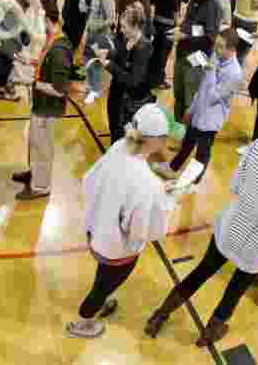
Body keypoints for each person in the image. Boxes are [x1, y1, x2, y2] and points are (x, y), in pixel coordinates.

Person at [145, 94, 258, 346]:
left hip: (230, 229)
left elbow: (237, 186)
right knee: (234, 291)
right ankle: (208, 335)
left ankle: (160, 315)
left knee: (200, 273)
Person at [66, 105, 178, 339]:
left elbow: (90, 180)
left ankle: (98, 304)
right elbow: (143, 231)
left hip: (97, 230)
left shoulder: (119, 147)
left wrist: (156, 190)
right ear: (156, 140)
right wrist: (165, 199)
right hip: (118, 247)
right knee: (104, 285)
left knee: (103, 274)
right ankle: (83, 321)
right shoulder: (146, 183)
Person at [157, 27, 241, 187]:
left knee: (201, 154)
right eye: (216, 45)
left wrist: (209, 72)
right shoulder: (217, 56)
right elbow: (203, 88)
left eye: (220, 47)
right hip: (199, 112)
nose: (215, 49)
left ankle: (193, 183)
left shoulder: (234, 73)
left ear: (231, 50)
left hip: (211, 121)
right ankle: (172, 168)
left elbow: (212, 97)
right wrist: (192, 109)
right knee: (187, 142)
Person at [13, 0, 73, 201]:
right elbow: (44, 65)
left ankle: (41, 186)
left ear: (46, 19)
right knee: (34, 143)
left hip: (48, 108)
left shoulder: (59, 51)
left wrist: (31, 82)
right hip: (40, 104)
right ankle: (34, 173)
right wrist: (29, 61)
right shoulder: (52, 40)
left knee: (42, 147)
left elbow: (60, 89)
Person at [170, 0, 222, 120]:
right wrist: (180, 28)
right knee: (178, 93)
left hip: (198, 58)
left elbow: (210, 35)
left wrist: (186, 34)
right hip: (182, 52)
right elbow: (189, 21)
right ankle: (179, 129)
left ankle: (187, 138)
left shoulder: (214, 7)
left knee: (190, 99)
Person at [99, 3, 152, 144]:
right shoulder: (126, 38)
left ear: (135, 27)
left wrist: (109, 66)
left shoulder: (144, 48)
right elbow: (120, 55)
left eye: (124, 27)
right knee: (114, 129)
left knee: (124, 136)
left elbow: (133, 80)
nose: (121, 30)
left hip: (129, 102)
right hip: (116, 93)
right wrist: (109, 54)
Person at [149, 0, 183, 90]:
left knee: (154, 52)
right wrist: (177, 25)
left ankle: (149, 77)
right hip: (168, 24)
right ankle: (158, 81)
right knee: (163, 55)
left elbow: (152, 1)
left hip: (156, 20)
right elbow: (175, 9)